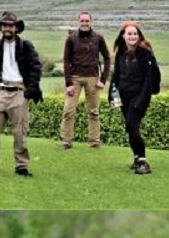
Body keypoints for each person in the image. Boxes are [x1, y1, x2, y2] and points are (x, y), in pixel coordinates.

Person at [0, 11, 42, 177]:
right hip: (0, 91)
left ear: (16, 28)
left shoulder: (26, 46)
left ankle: (21, 166)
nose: (7, 28)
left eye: (11, 26)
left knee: (20, 132)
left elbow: (35, 68)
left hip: (19, 92)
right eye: (4, 25)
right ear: (1, 28)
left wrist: (29, 91)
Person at [109, 21, 160, 175]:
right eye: (129, 34)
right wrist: (112, 96)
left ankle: (143, 162)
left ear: (139, 36)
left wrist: (141, 100)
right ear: (123, 36)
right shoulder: (121, 53)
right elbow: (116, 76)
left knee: (131, 125)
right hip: (124, 96)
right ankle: (137, 157)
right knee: (130, 127)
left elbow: (148, 80)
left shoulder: (145, 54)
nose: (132, 36)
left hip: (139, 97)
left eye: (135, 34)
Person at [60, 11, 111, 149]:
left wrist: (103, 79)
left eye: (87, 21)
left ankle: (95, 140)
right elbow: (66, 60)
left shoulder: (98, 38)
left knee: (93, 111)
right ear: (78, 21)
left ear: (91, 21)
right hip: (74, 78)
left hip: (92, 78)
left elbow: (107, 58)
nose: (84, 23)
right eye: (82, 21)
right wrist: (68, 83)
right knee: (68, 111)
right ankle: (66, 141)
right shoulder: (71, 38)